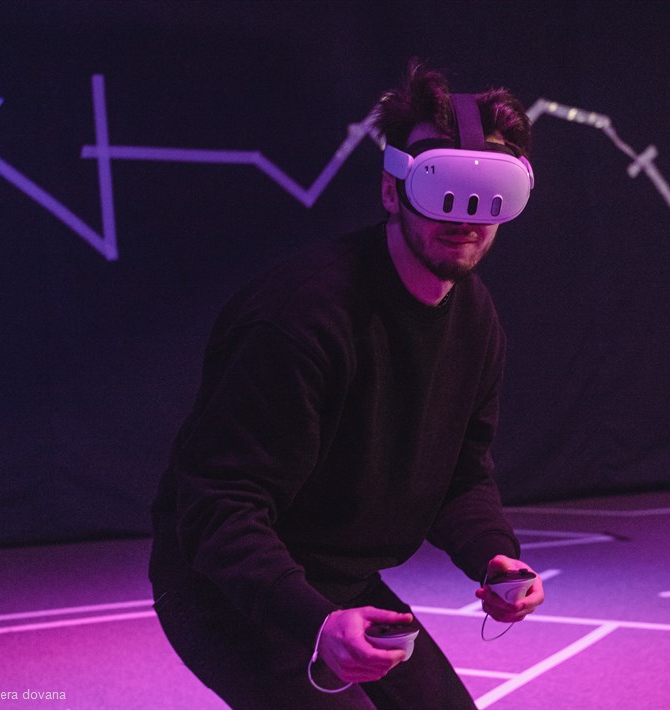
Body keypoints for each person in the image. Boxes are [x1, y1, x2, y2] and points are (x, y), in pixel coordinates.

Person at [148, 60, 545, 709]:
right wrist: (316, 621)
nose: (465, 214)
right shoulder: (300, 318)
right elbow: (220, 506)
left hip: (340, 579)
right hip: (223, 588)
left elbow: (462, 478)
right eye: (441, 186)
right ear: (392, 191)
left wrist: (494, 557)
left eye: (489, 192)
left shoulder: (475, 319)